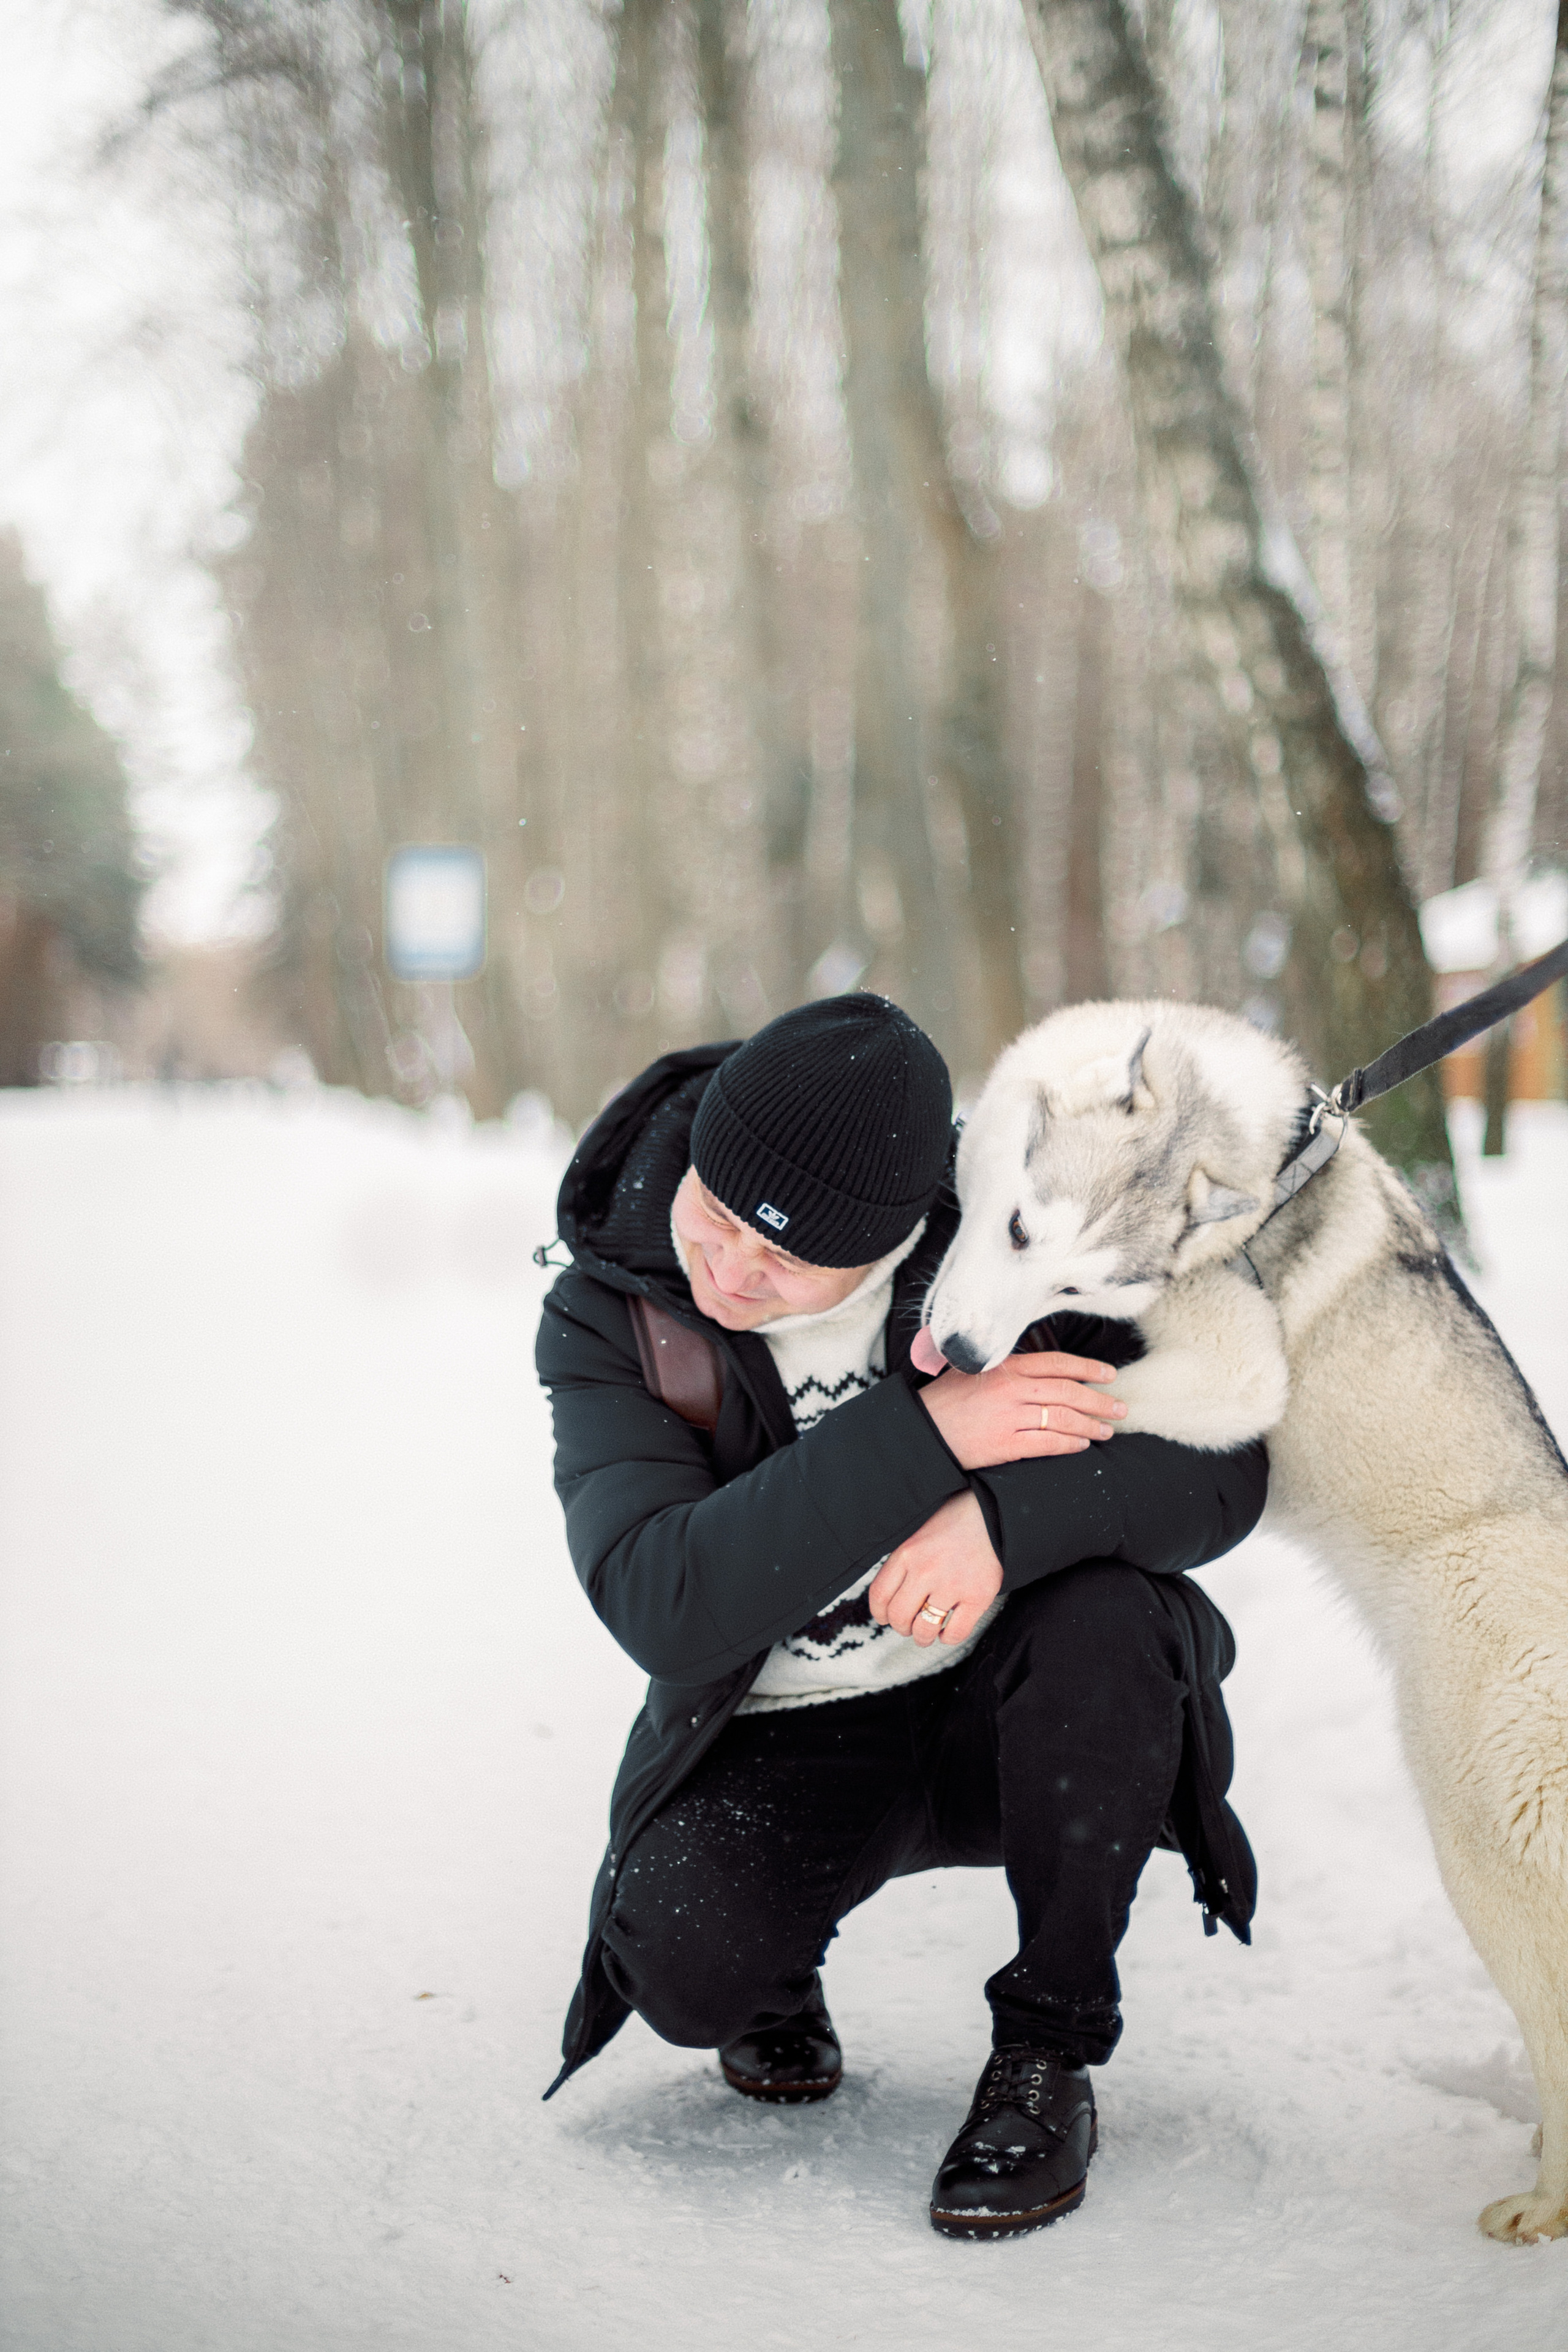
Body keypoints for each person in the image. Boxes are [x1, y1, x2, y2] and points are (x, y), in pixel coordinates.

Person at [536, 993, 1265, 2237]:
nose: (726, 1272)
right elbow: (662, 1598)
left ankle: (1047, 2050)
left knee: (1109, 1617)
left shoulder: (1013, 1239)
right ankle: (776, 1968)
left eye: (780, 1262)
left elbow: (1218, 1460)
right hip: (786, 1727)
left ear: (881, 1247)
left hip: (1012, 1704)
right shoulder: (620, 1304)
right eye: (715, 1216)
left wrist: (1003, 1521)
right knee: (683, 1967)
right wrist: (928, 1434)